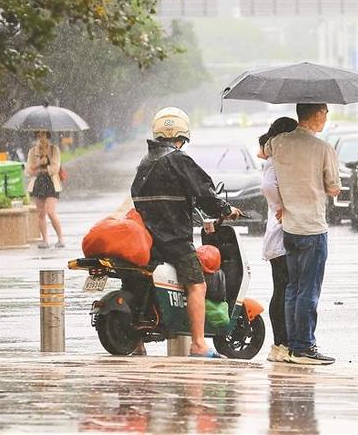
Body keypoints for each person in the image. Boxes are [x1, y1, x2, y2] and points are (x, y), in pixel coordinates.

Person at [131, 107, 240, 358]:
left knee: (142, 283)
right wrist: (226, 209)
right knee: (197, 285)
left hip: (147, 238)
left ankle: (137, 342)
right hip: (174, 239)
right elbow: (203, 191)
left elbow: (138, 197)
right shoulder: (178, 159)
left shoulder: (145, 162)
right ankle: (199, 344)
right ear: (183, 135)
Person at [264, 103, 341, 365]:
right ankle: (304, 346)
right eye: (326, 113)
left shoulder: (277, 143)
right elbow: (333, 188)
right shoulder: (323, 148)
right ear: (317, 114)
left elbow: (265, 154)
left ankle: (291, 346)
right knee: (309, 290)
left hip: (290, 228)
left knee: (292, 289)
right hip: (312, 227)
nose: (326, 118)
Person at [257, 117, 299, 363]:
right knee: (283, 289)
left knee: (284, 288)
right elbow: (272, 190)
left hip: (283, 230)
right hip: (281, 232)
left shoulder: (278, 160)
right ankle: (281, 343)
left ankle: (283, 342)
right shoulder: (275, 162)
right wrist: (285, 206)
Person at [26, 131, 65, 249]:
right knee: (41, 213)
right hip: (38, 183)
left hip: (52, 183)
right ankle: (45, 240)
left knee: (50, 211)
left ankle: (60, 238)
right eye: (39, 135)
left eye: (43, 135)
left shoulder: (54, 150)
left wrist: (45, 166)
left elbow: (55, 168)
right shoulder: (33, 151)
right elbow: (29, 170)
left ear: (48, 137)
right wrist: (39, 164)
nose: (41, 138)